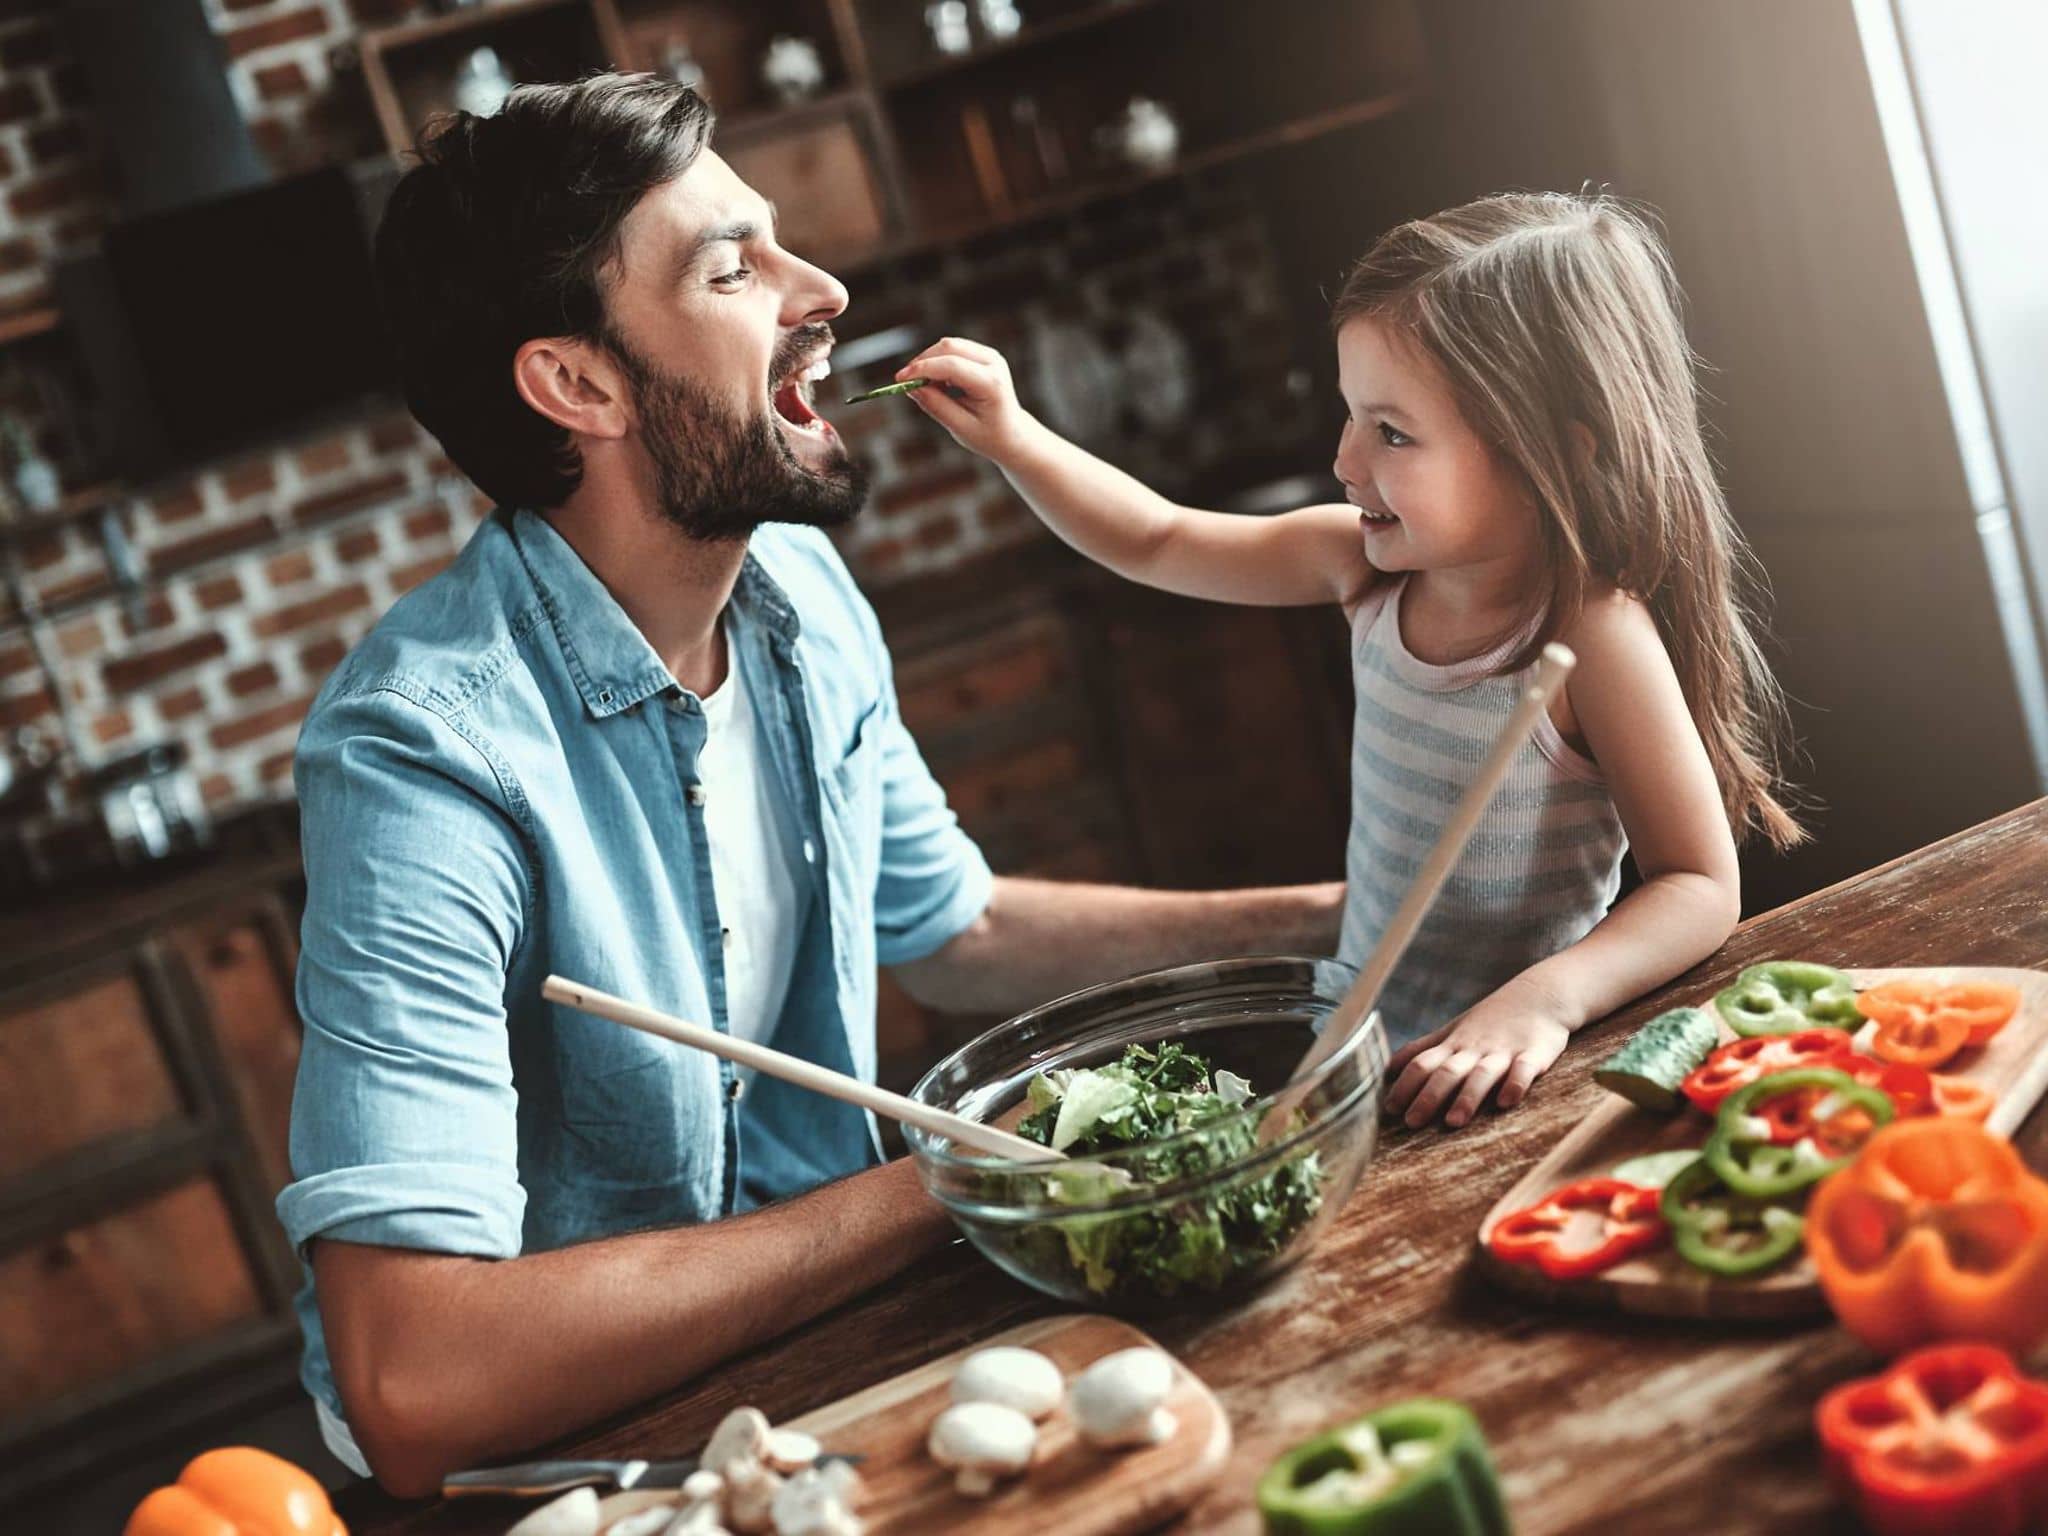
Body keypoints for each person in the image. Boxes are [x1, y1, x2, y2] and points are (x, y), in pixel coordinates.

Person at [284, 73, 1342, 1496]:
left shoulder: (797, 592)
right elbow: (416, 1380)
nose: (823, 289)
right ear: (577, 383)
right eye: (734, 267)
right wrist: (947, 1178)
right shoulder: (424, 754)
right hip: (559, 1488)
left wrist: (1352, 918)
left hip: (813, 1378)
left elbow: (952, 928)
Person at [894, 190, 1805, 1137]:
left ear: (1554, 458)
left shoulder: (1590, 634)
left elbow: (1699, 886)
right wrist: (1012, 436)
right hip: (1363, 1072)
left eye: (1392, 432)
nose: (1344, 459)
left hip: (1512, 1084)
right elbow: (1158, 539)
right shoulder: (1360, 569)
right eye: (1350, 416)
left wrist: (1543, 1003)